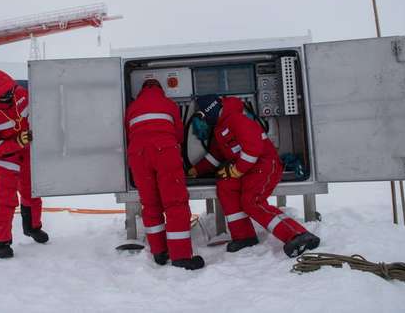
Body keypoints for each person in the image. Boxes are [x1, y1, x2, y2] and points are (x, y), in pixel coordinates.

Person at [188, 94, 320, 257]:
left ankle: (297, 235)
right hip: (247, 170)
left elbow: (253, 149)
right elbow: (216, 156)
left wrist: (236, 170)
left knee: (252, 202)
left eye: (203, 115)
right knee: (225, 185)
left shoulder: (237, 120)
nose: (202, 119)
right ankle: (244, 237)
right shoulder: (220, 128)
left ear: (210, 111)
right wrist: (196, 170)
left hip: (264, 166)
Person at [125, 79, 204, 270]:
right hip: (164, 151)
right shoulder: (169, 104)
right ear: (161, 90)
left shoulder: (132, 108)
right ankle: (181, 256)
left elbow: (129, 134)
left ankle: (159, 252)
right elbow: (178, 134)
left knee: (150, 204)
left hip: (138, 156)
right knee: (175, 203)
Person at [0, 70, 49, 259]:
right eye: (6, 94)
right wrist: (16, 143)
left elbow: (38, 112)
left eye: (11, 90)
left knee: (33, 191)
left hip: (28, 154)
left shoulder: (20, 94)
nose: (11, 95)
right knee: (5, 201)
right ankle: (1, 242)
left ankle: (33, 227)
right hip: (5, 161)